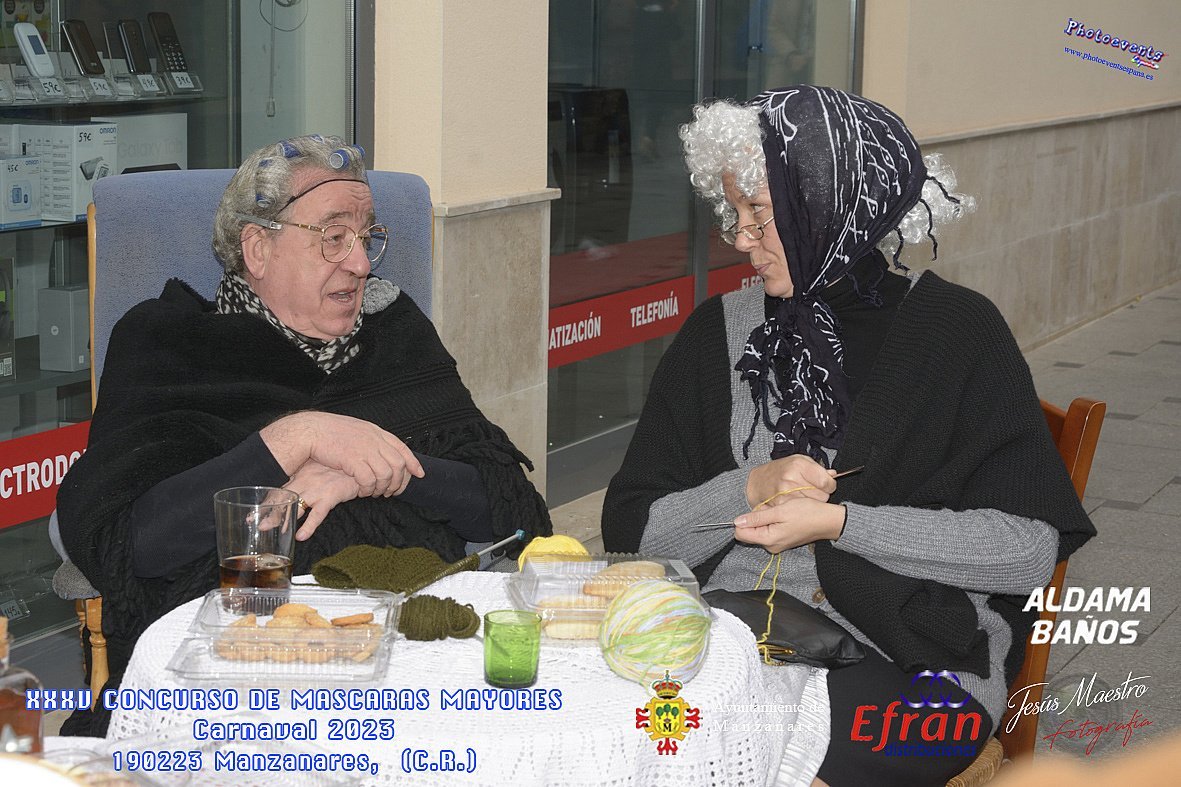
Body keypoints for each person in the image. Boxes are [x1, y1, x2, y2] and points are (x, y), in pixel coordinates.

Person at [601, 86, 1095, 786]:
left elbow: (1025, 553)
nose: (738, 238)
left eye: (759, 214)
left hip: (916, 658)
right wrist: (746, 487)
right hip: (733, 631)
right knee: (627, 738)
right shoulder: (717, 333)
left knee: (750, 761)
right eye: (734, 213)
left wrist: (841, 524)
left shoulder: (958, 333)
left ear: (829, 207)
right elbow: (632, 530)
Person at [56, 134, 551, 733]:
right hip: (238, 663)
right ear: (258, 248)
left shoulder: (395, 334)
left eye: (366, 237)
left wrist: (374, 472)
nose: (361, 264)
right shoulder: (170, 343)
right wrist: (296, 439)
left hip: (412, 654)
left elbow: (510, 511)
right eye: (333, 237)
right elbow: (134, 545)